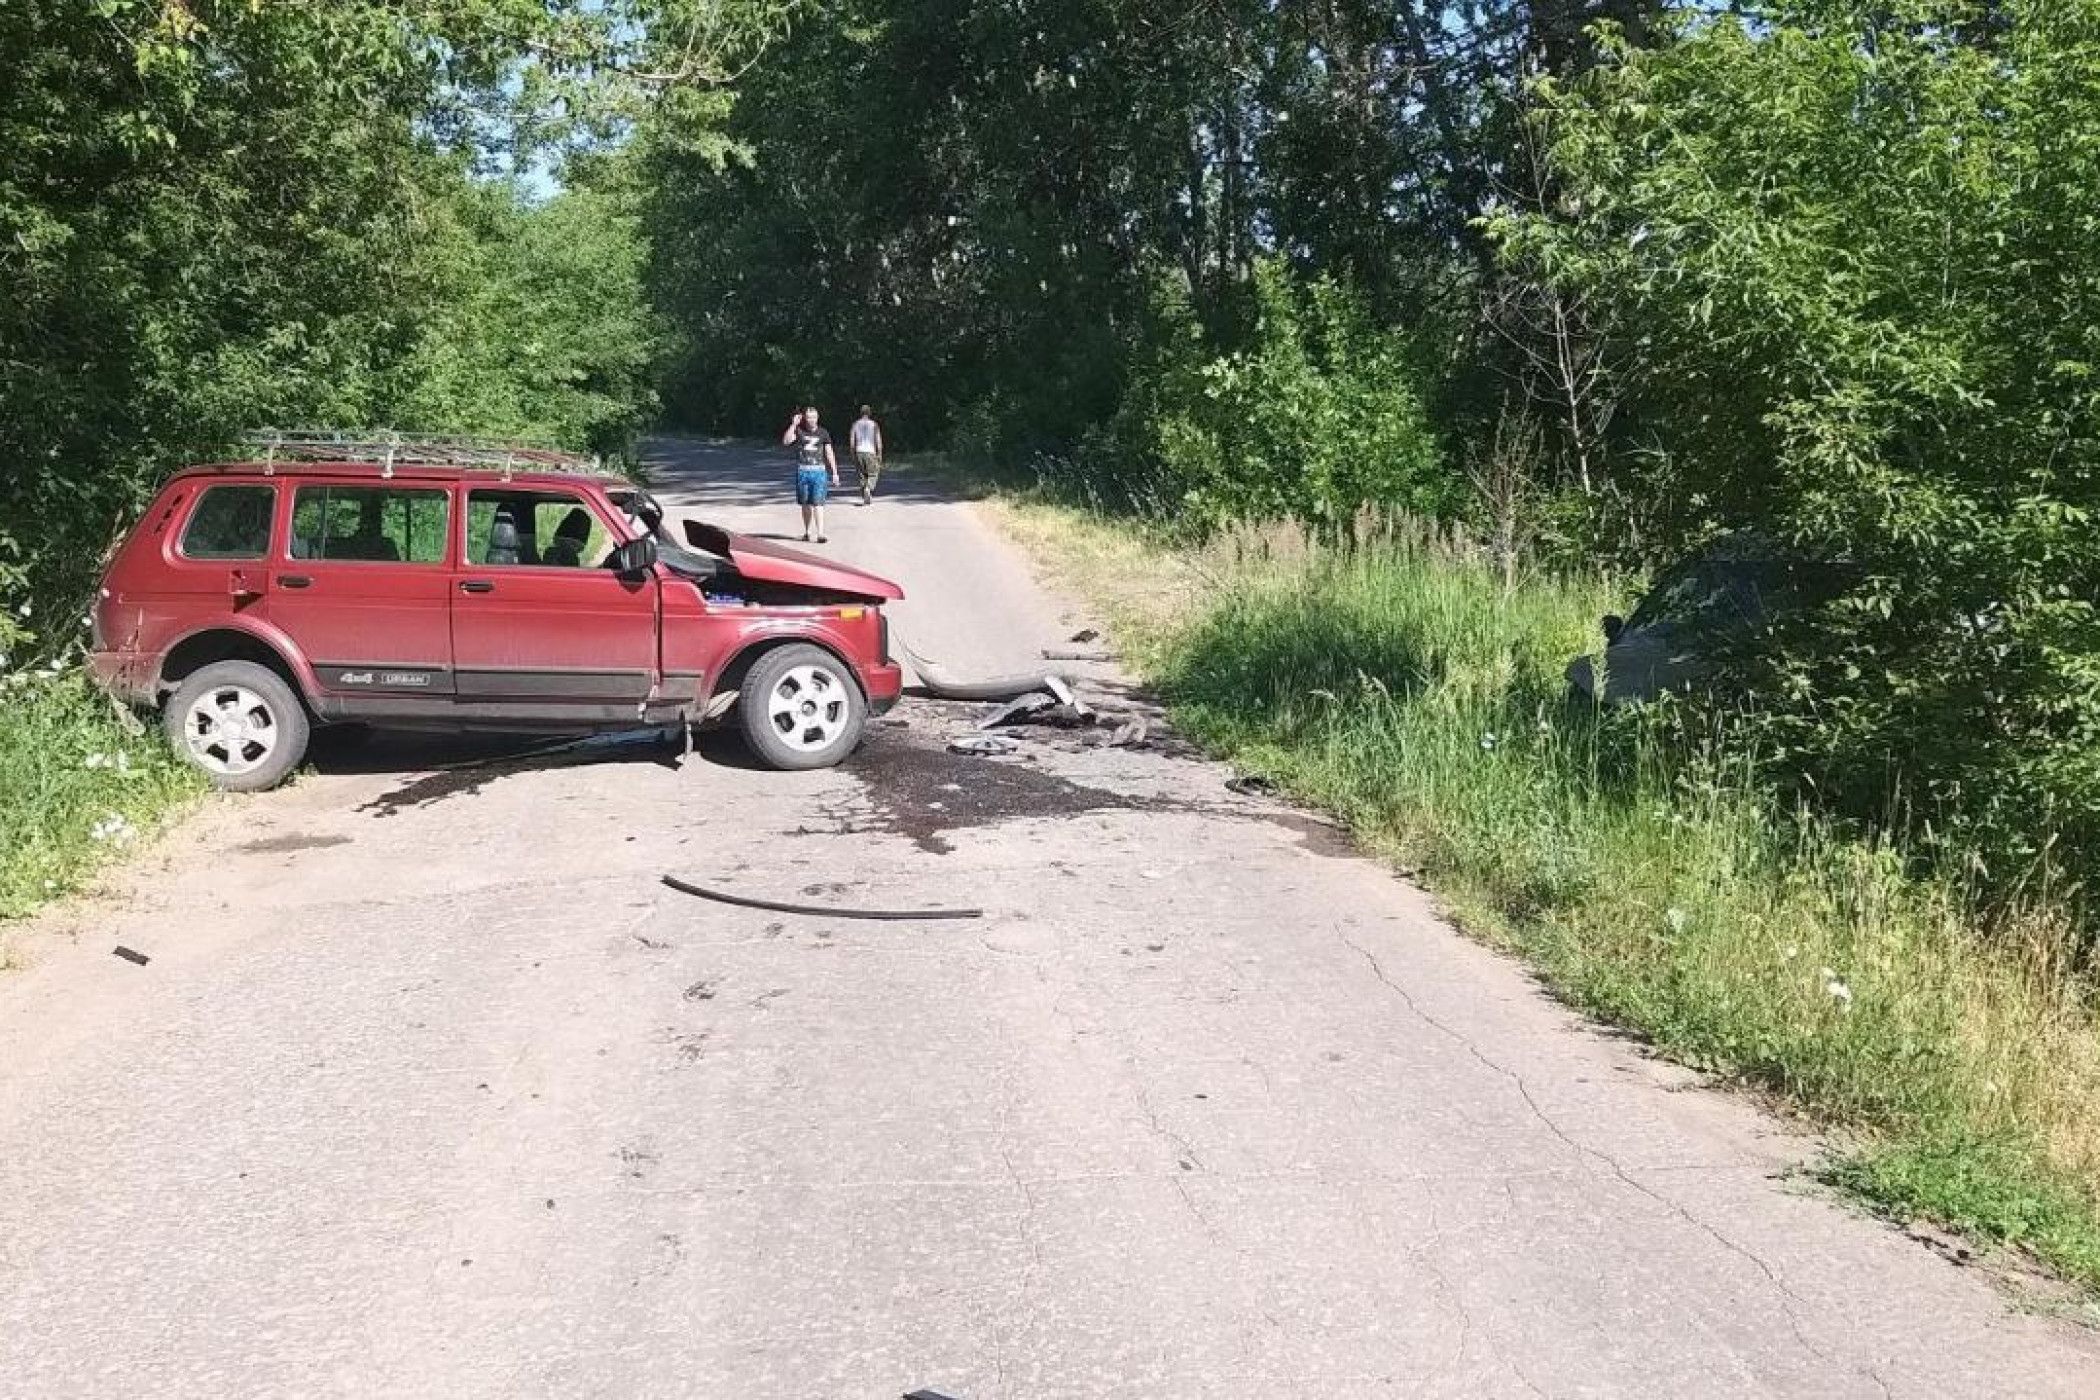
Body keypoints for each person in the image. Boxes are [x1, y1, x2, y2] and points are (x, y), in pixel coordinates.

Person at [781, 405, 841, 543]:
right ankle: (807, 532)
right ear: (804, 418)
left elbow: (829, 452)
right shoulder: (799, 430)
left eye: (813, 417)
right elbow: (786, 441)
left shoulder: (823, 433)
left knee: (818, 503)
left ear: (817, 418)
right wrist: (793, 424)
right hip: (803, 471)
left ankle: (820, 533)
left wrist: (835, 472)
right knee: (805, 504)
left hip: (819, 471)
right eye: (808, 417)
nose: (811, 420)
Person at [849, 405, 884, 505]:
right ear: (869, 413)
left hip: (859, 451)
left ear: (860, 413)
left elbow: (852, 441)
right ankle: (868, 488)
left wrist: (852, 453)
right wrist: (879, 454)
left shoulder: (855, 424)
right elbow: (878, 441)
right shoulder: (874, 425)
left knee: (861, 474)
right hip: (871, 451)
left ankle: (865, 494)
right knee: (873, 473)